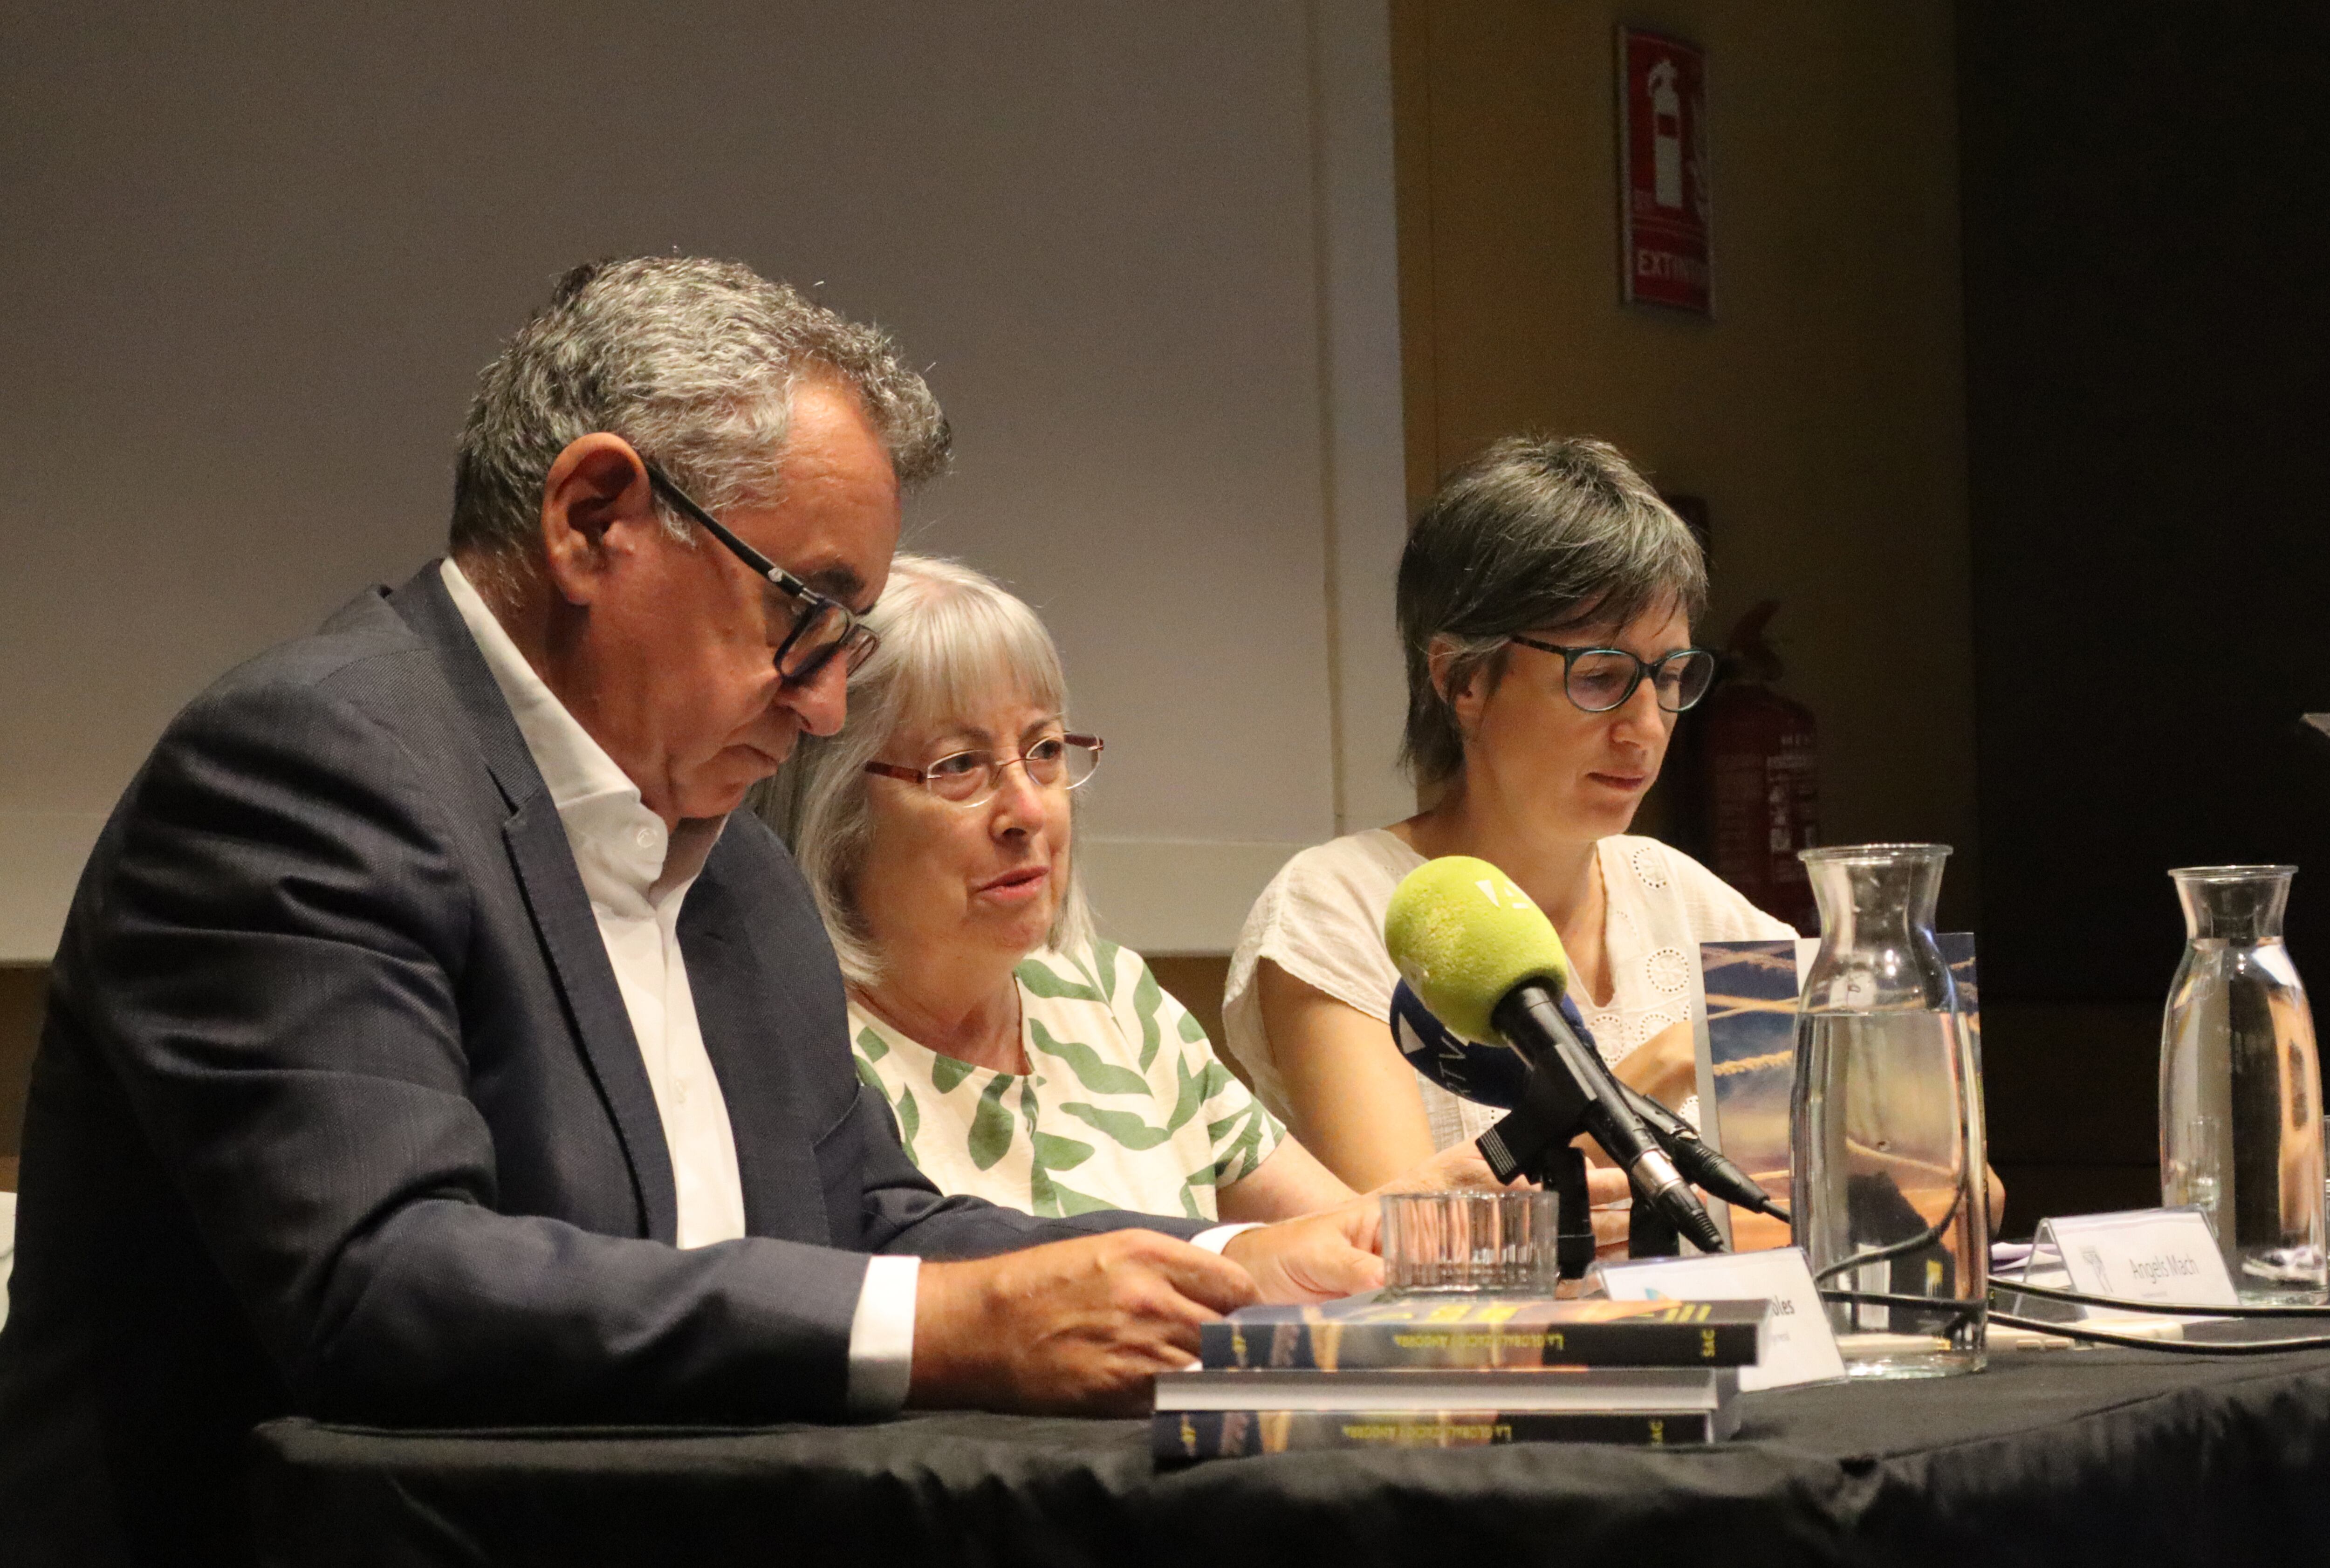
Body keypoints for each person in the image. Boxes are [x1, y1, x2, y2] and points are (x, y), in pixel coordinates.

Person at [0, 257, 1376, 1568]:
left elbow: (876, 1228)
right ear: (595, 518)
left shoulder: (736, 863)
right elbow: (383, 1285)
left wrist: (1236, 1270)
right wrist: (957, 1321)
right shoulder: (313, 765)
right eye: (808, 612)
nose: (828, 700)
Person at [767, 555, 1495, 1220]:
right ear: (836, 808)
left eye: (1044, 750)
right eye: (958, 765)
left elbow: (1331, 1241)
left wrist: (1435, 1213)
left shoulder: (1111, 997)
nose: (1027, 810)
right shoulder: (801, 1063)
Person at [1221, 436, 1798, 1192]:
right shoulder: (1340, 907)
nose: (1647, 727)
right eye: (1600, 677)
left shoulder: (1687, 900)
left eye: (1669, 676)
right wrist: (1656, 1071)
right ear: (1462, 679)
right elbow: (1406, 1241)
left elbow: (1922, 1183)